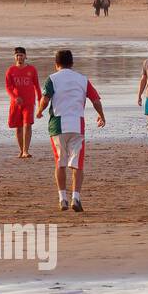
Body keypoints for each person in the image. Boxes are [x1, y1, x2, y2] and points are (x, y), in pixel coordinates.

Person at [36, 48, 105, 212]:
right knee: (77, 163)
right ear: (72, 63)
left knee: (60, 162)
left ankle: (62, 199)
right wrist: (101, 115)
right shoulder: (82, 79)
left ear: (56, 64)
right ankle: (76, 197)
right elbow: (95, 99)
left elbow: (45, 100)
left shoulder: (52, 79)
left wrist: (39, 111)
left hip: (57, 125)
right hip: (77, 124)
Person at [4, 46, 40, 158]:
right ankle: (21, 150)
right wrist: (15, 97)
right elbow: (8, 87)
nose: (19, 57)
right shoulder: (10, 71)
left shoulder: (32, 69)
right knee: (18, 127)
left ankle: (26, 151)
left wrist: (40, 100)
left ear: (25, 56)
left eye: (21, 55)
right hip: (16, 104)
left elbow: (37, 86)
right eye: (17, 55)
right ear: (14, 57)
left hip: (29, 102)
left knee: (27, 125)